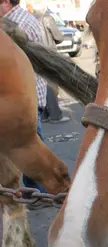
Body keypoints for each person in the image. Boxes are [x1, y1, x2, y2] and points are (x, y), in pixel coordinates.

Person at [0, 0, 47, 193]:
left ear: (5, 3)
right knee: (31, 141)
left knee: (30, 144)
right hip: (32, 89)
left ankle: (42, 188)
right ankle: (36, 187)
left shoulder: (14, 24)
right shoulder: (25, 18)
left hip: (26, 93)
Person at [27, 2, 70, 124]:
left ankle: (45, 115)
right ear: (44, 8)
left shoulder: (30, 18)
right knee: (51, 85)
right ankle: (55, 115)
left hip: (36, 55)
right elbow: (59, 37)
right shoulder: (47, 18)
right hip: (49, 55)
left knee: (41, 83)